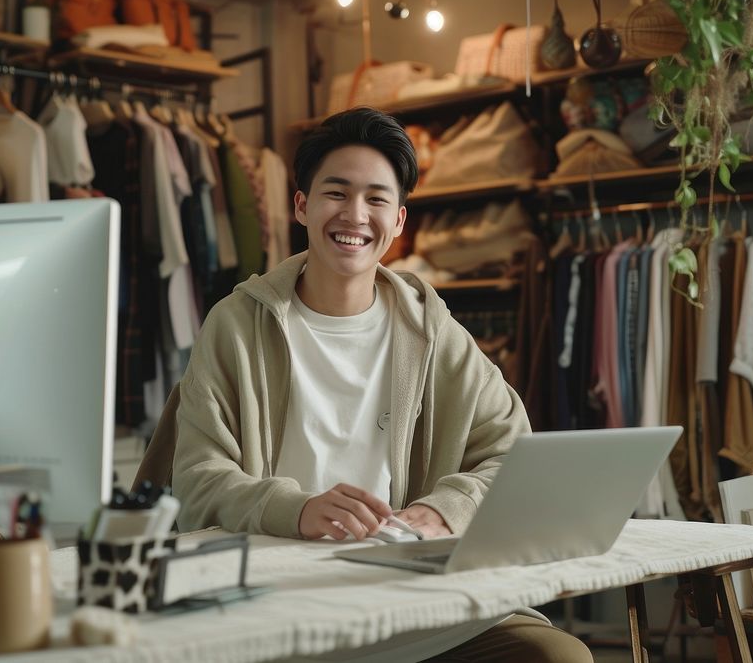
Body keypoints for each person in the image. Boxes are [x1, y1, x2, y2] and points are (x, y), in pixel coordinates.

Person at [143, 107, 593, 662]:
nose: (355, 215)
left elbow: (515, 455)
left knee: (557, 656)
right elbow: (196, 481)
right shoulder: (236, 324)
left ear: (399, 221)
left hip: (410, 601)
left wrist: (444, 509)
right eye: (337, 193)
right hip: (276, 600)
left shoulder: (431, 327)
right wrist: (299, 510)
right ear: (302, 205)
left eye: (377, 199)